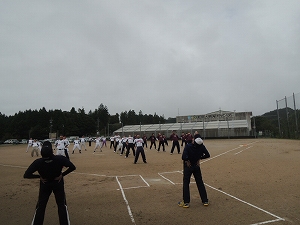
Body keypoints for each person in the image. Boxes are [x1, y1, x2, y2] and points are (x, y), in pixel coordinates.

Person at [23, 141, 76, 225]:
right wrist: (62, 175)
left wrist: (39, 177)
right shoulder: (60, 159)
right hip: (57, 183)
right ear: (52, 151)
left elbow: (26, 175)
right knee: (61, 206)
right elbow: (72, 167)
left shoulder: (38, 162)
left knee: (41, 207)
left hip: (45, 185)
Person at [178, 137, 210, 208]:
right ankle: (205, 200)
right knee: (200, 183)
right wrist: (199, 158)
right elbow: (207, 155)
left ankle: (186, 202)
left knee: (186, 183)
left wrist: (187, 160)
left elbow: (183, 157)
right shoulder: (201, 147)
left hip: (188, 167)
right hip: (196, 166)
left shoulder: (188, 146)